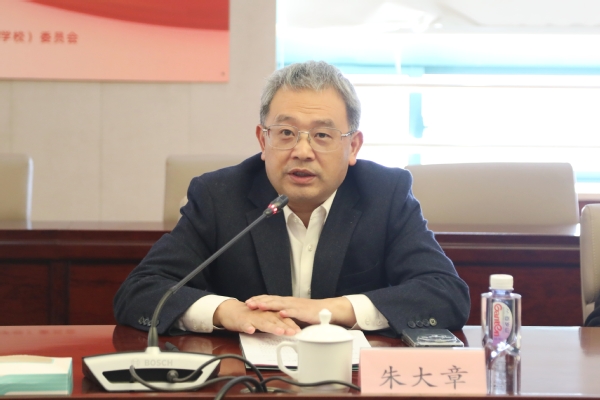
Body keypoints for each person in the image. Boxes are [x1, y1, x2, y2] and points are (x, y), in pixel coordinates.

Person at [113, 61, 470, 337]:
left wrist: (332, 310)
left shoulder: (385, 193)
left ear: (353, 146)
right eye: (286, 132)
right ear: (263, 140)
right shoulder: (219, 195)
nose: (302, 151)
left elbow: (445, 294)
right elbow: (141, 291)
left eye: (322, 135)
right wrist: (226, 312)